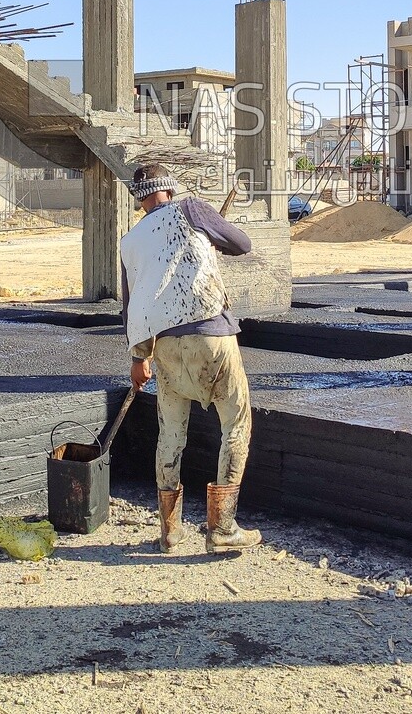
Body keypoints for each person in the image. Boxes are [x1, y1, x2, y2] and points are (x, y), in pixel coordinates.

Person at [120, 163, 261, 553]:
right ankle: (223, 528)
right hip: (211, 336)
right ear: (170, 189)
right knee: (235, 425)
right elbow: (242, 244)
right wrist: (213, 238)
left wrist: (139, 358)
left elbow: (133, 307)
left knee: (170, 435)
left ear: (140, 197)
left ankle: (170, 531)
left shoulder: (130, 241)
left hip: (164, 347)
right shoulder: (192, 209)